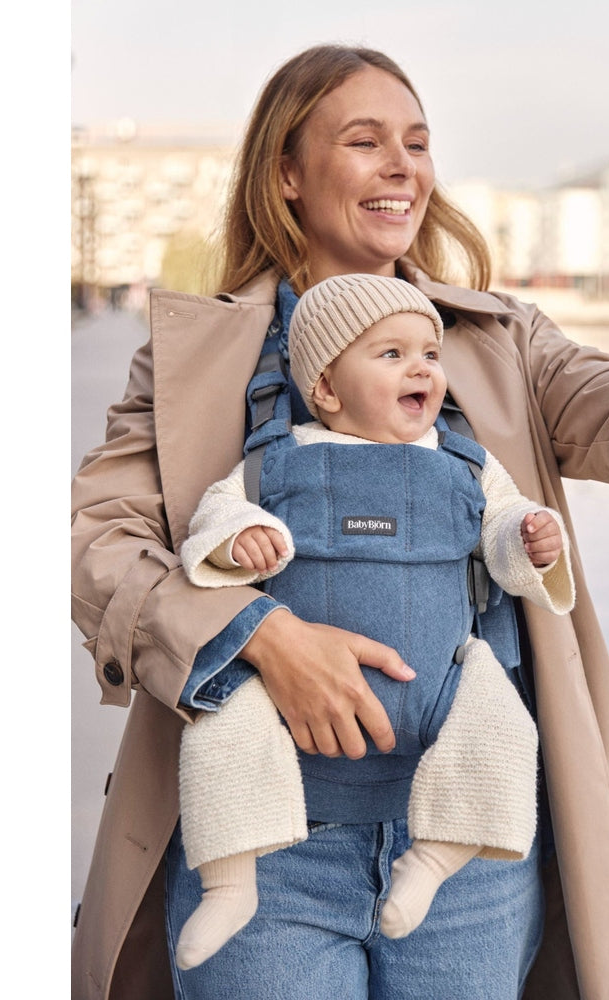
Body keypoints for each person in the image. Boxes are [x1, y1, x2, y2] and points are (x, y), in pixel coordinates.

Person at [70, 42, 609, 1000]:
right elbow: (100, 543)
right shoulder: (192, 359)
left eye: (418, 143)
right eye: (366, 140)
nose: (403, 166)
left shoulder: (501, 342)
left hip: (469, 849)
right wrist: (260, 637)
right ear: (286, 173)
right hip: (260, 848)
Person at [172, 272, 575, 969]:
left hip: (442, 697)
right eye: (390, 355)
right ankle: (230, 882)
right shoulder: (276, 460)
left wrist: (530, 538)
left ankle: (437, 858)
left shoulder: (466, 464)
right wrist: (236, 539)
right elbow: (215, 515)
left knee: (507, 729)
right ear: (325, 388)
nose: (420, 367)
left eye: (428, 353)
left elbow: (503, 528)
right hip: (290, 723)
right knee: (223, 728)